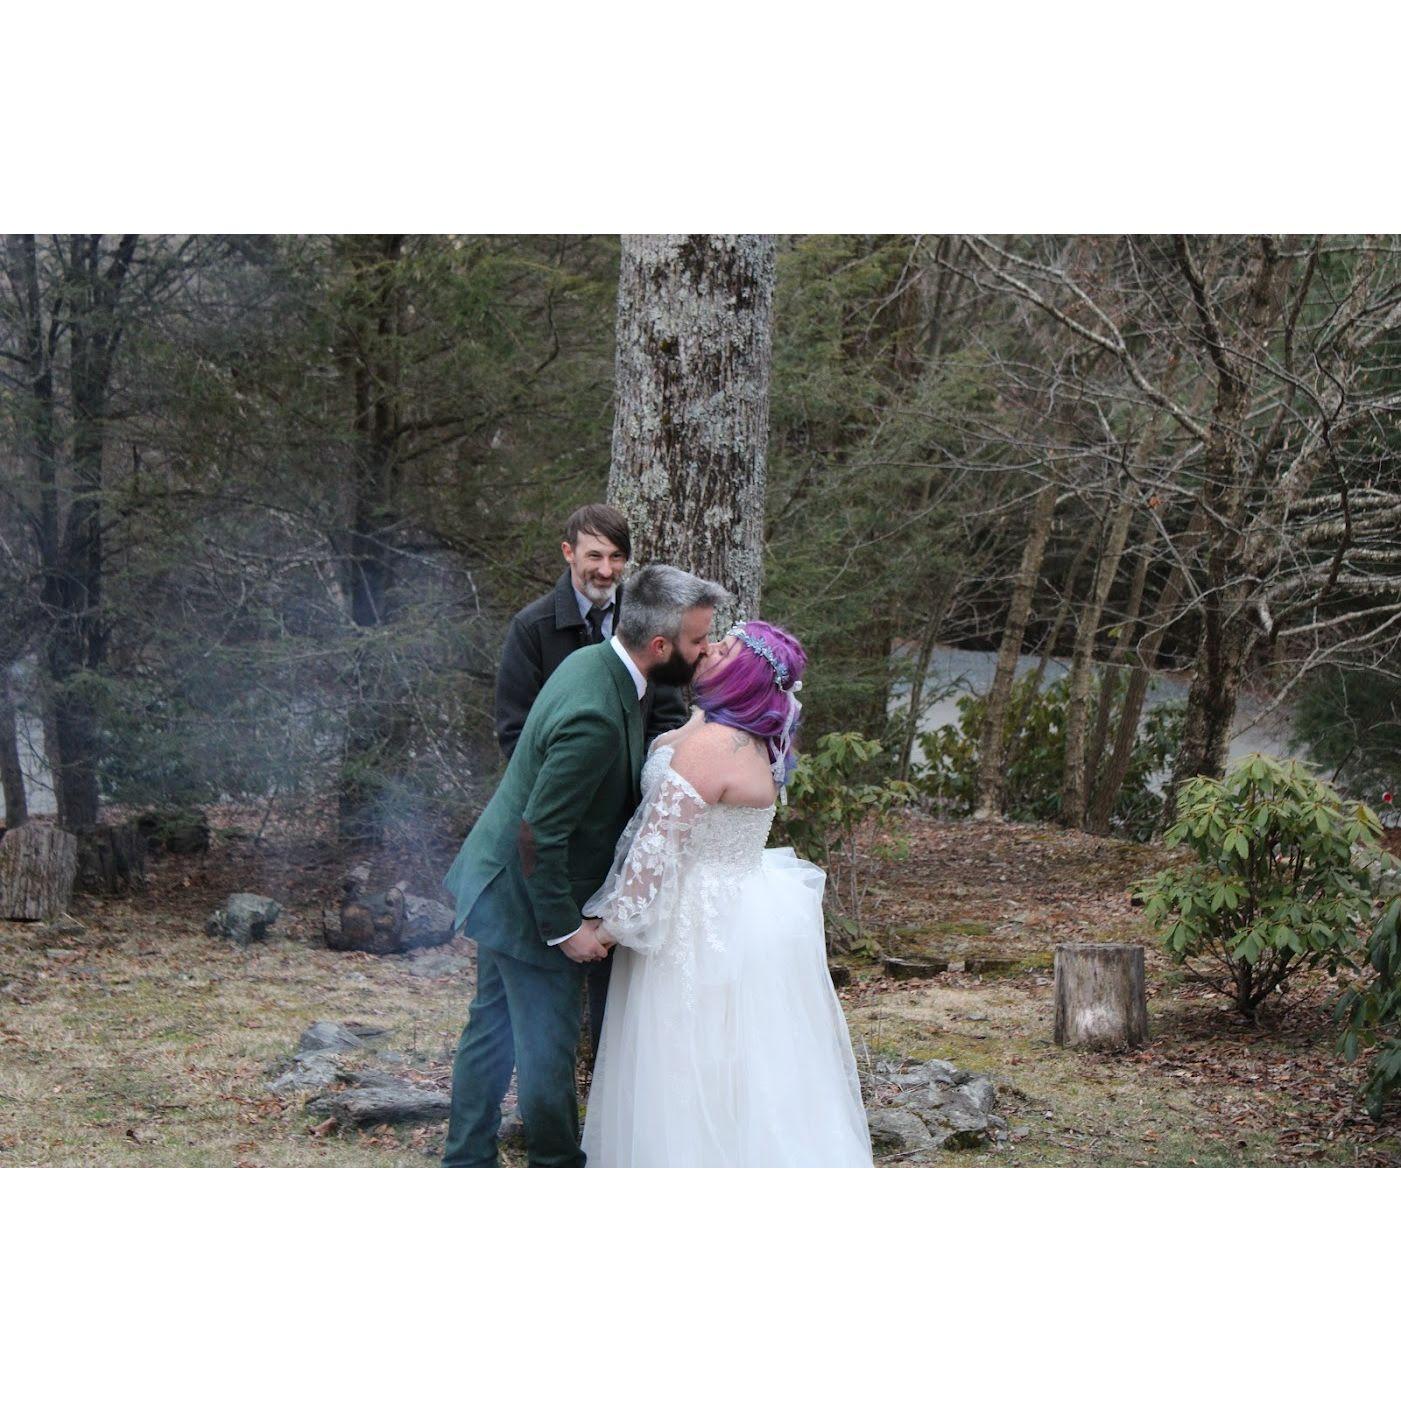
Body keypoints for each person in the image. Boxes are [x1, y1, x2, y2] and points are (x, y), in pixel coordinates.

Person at [440, 564, 730, 1167]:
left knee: (491, 1031)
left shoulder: (599, 663)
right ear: (660, 646)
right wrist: (565, 929)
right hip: (525, 896)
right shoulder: (595, 714)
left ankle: (465, 1162)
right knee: (545, 1049)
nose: (706, 650)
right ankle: (555, 1167)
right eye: (699, 640)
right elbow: (540, 831)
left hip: (504, 881)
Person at [580, 620, 874, 1167]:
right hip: (744, 911)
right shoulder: (749, 739)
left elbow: (656, 851)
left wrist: (609, 928)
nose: (711, 647)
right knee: (742, 1068)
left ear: (744, 674)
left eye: (726, 648)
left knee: (689, 1064)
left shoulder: (715, 745)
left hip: (695, 921)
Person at [494, 504, 690, 1057]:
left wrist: (641, 789)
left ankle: (609, 1078)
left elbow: (668, 715)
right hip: (553, 825)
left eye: (617, 557)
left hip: (626, 825)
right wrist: (564, 792)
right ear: (569, 553)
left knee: (617, 971)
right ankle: (551, 1074)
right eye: (594, 556)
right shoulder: (532, 628)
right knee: (549, 974)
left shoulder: (645, 621)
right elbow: (515, 732)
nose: (606, 570)